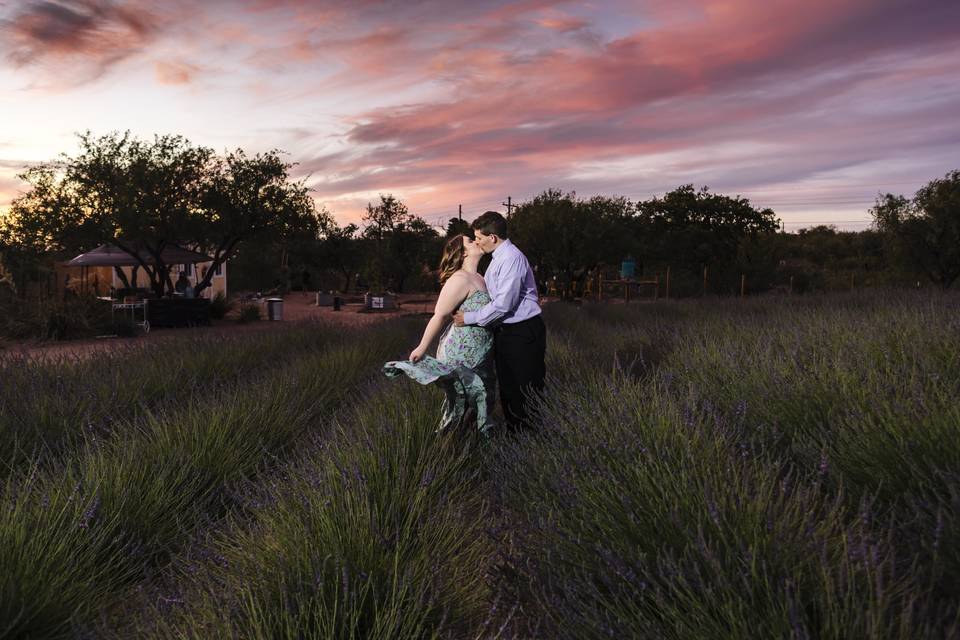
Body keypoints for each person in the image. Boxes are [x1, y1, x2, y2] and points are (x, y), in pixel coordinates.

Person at [383, 234, 496, 435]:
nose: (476, 241)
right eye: (470, 241)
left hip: (480, 351)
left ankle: (471, 444)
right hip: (461, 350)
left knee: (481, 400)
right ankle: (446, 445)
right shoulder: (459, 279)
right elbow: (439, 315)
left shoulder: (480, 277)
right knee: (463, 400)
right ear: (462, 253)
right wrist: (422, 347)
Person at [453, 211, 545, 432]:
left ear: (492, 237)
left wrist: (469, 318)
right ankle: (516, 438)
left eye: (479, 238)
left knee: (524, 389)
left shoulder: (512, 258)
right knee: (509, 389)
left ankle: (529, 442)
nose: (477, 242)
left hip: (522, 332)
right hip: (507, 332)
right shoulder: (497, 259)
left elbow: (504, 304)